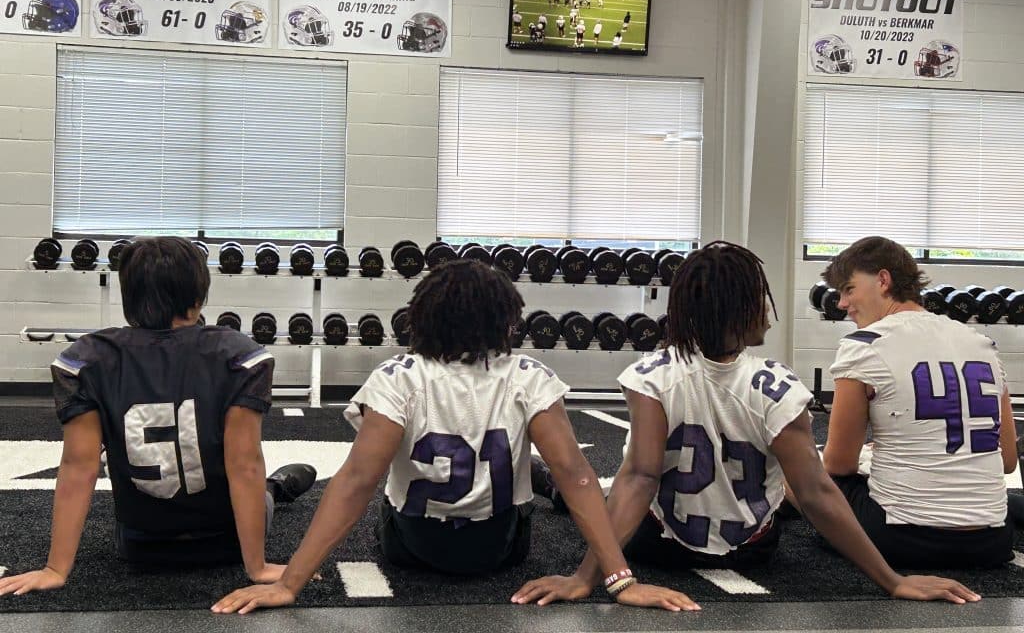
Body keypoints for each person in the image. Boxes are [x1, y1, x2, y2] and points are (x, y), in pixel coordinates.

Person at [213, 260, 696, 614]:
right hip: (501, 546)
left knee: (383, 475)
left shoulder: (397, 377)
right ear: (504, 320)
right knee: (553, 469)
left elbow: (357, 481)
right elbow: (580, 477)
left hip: (414, 547)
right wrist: (618, 579)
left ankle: (531, 473)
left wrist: (290, 584)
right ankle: (535, 477)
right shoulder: (528, 375)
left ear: (424, 317)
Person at [513, 241, 980, 607]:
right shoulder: (778, 386)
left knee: (614, 491)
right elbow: (817, 493)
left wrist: (589, 577)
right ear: (735, 310)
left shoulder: (648, 376)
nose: (768, 313)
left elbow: (641, 478)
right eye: (759, 300)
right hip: (754, 548)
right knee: (799, 488)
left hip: (658, 548)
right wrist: (892, 581)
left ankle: (551, 485)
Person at [0, 237, 315, 597]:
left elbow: (78, 467)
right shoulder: (238, 354)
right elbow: (243, 465)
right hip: (224, 542)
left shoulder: (88, 359)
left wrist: (55, 569)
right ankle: (275, 487)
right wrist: (256, 567)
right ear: (196, 300)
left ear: (129, 298)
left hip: (140, 546)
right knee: (256, 484)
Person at [820, 236, 1017, 568]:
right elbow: (1008, 460)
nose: (841, 303)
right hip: (992, 540)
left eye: (849, 289)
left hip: (900, 539)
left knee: (798, 474)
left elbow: (838, 466)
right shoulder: (983, 344)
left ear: (883, 280)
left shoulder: (862, 345)